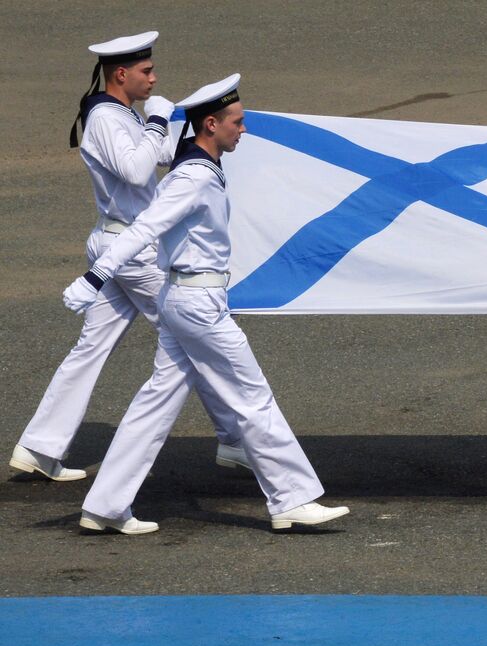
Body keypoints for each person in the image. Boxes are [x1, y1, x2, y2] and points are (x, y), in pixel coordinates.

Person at [63, 74, 348, 534]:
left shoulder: (201, 169)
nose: (244, 129)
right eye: (237, 122)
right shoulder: (192, 177)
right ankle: (292, 498)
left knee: (155, 403)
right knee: (252, 395)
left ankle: (106, 505)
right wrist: (96, 277)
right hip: (197, 303)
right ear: (210, 124)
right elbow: (142, 228)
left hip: (187, 298)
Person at [10, 31, 249, 483]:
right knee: (194, 339)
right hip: (134, 254)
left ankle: (40, 446)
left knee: (91, 349)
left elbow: (153, 157)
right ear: (122, 74)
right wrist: (158, 122)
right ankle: (234, 439)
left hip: (116, 244)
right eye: (147, 71)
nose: (154, 78)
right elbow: (138, 169)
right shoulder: (106, 117)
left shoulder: (119, 113)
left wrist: (171, 128)